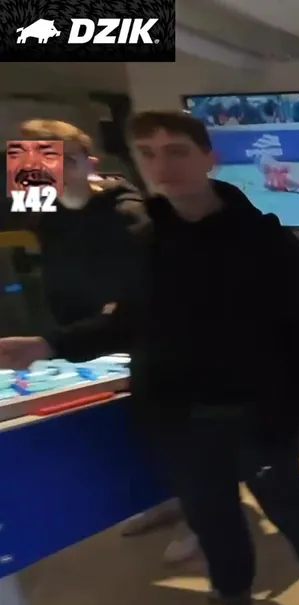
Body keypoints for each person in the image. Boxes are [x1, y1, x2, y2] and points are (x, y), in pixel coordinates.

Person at [0, 110, 299, 605]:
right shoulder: (146, 240)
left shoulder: (262, 238)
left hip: (256, 407)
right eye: (148, 153)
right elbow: (128, 322)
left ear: (208, 157)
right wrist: (47, 343)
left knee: (287, 503)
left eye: (177, 151)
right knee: (210, 513)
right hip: (177, 408)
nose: (161, 165)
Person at [15, 119, 198, 556]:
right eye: (39, 162)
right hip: (85, 336)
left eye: (62, 160)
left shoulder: (128, 212)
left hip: (138, 333)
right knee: (135, 428)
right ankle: (166, 499)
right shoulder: (46, 213)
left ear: (89, 163)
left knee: (176, 428)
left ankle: (204, 516)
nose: (51, 171)